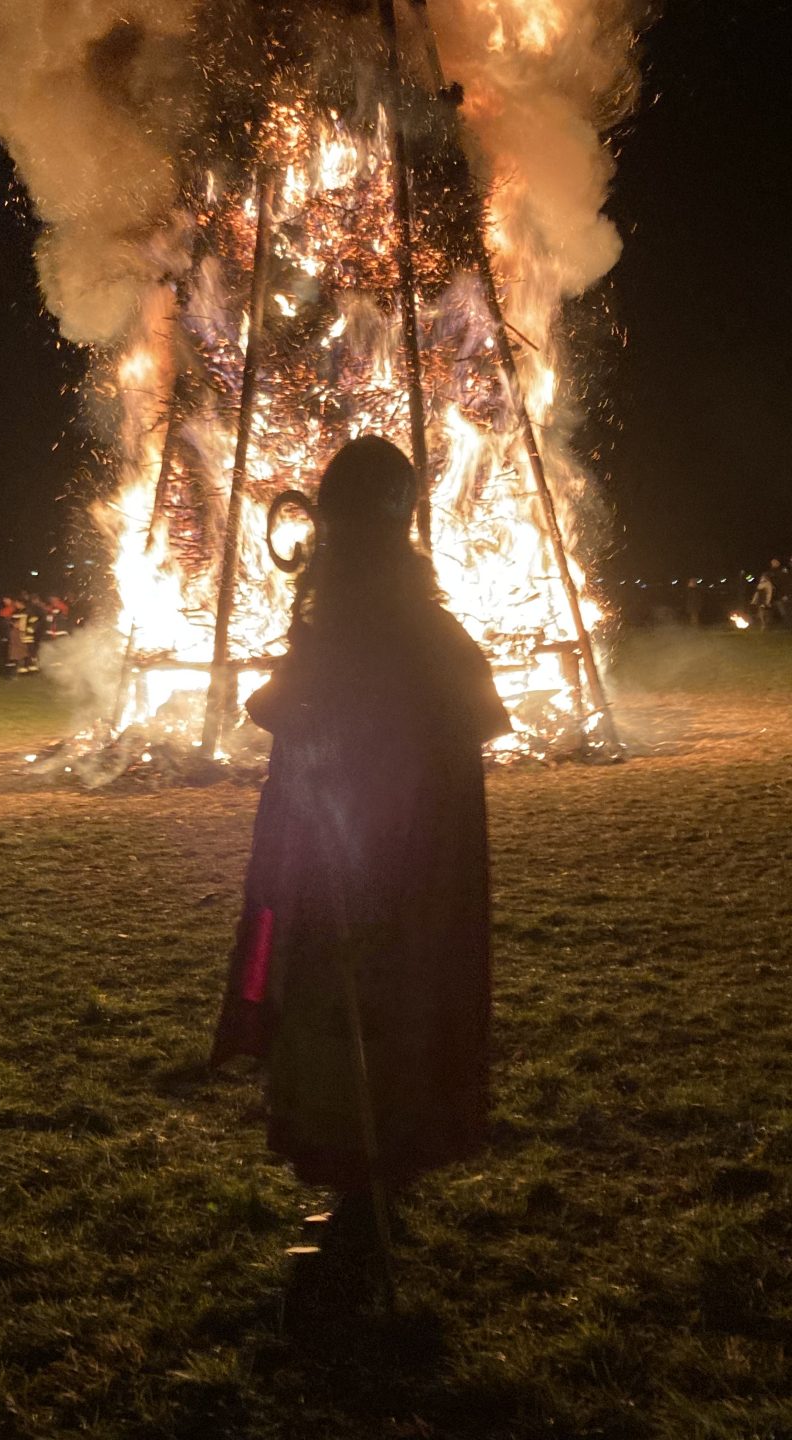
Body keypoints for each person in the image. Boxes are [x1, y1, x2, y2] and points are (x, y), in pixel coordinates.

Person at [210, 437, 511, 1287]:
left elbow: (297, 706)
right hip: (405, 863)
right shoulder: (419, 619)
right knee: (389, 1011)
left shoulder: (357, 618)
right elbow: (471, 712)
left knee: (351, 1017)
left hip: (360, 861)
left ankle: (366, 1199)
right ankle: (371, 1191)